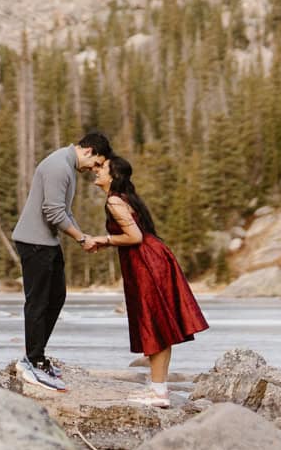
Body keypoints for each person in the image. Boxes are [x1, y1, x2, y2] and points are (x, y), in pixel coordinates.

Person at [85, 155, 208, 407]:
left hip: (147, 263)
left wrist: (102, 239)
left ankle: (158, 392)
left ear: (114, 176)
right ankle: (158, 389)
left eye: (102, 168)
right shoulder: (125, 199)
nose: (96, 171)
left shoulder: (114, 201)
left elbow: (134, 236)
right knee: (159, 326)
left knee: (154, 325)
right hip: (152, 260)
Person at [11, 130, 112, 392]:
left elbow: (63, 212)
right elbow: (53, 212)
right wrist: (81, 239)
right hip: (35, 242)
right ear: (88, 151)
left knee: (56, 297)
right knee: (38, 301)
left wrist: (84, 236)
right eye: (97, 163)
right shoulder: (59, 166)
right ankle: (32, 362)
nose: (94, 169)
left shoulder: (66, 164)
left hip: (46, 242)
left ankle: (38, 355)